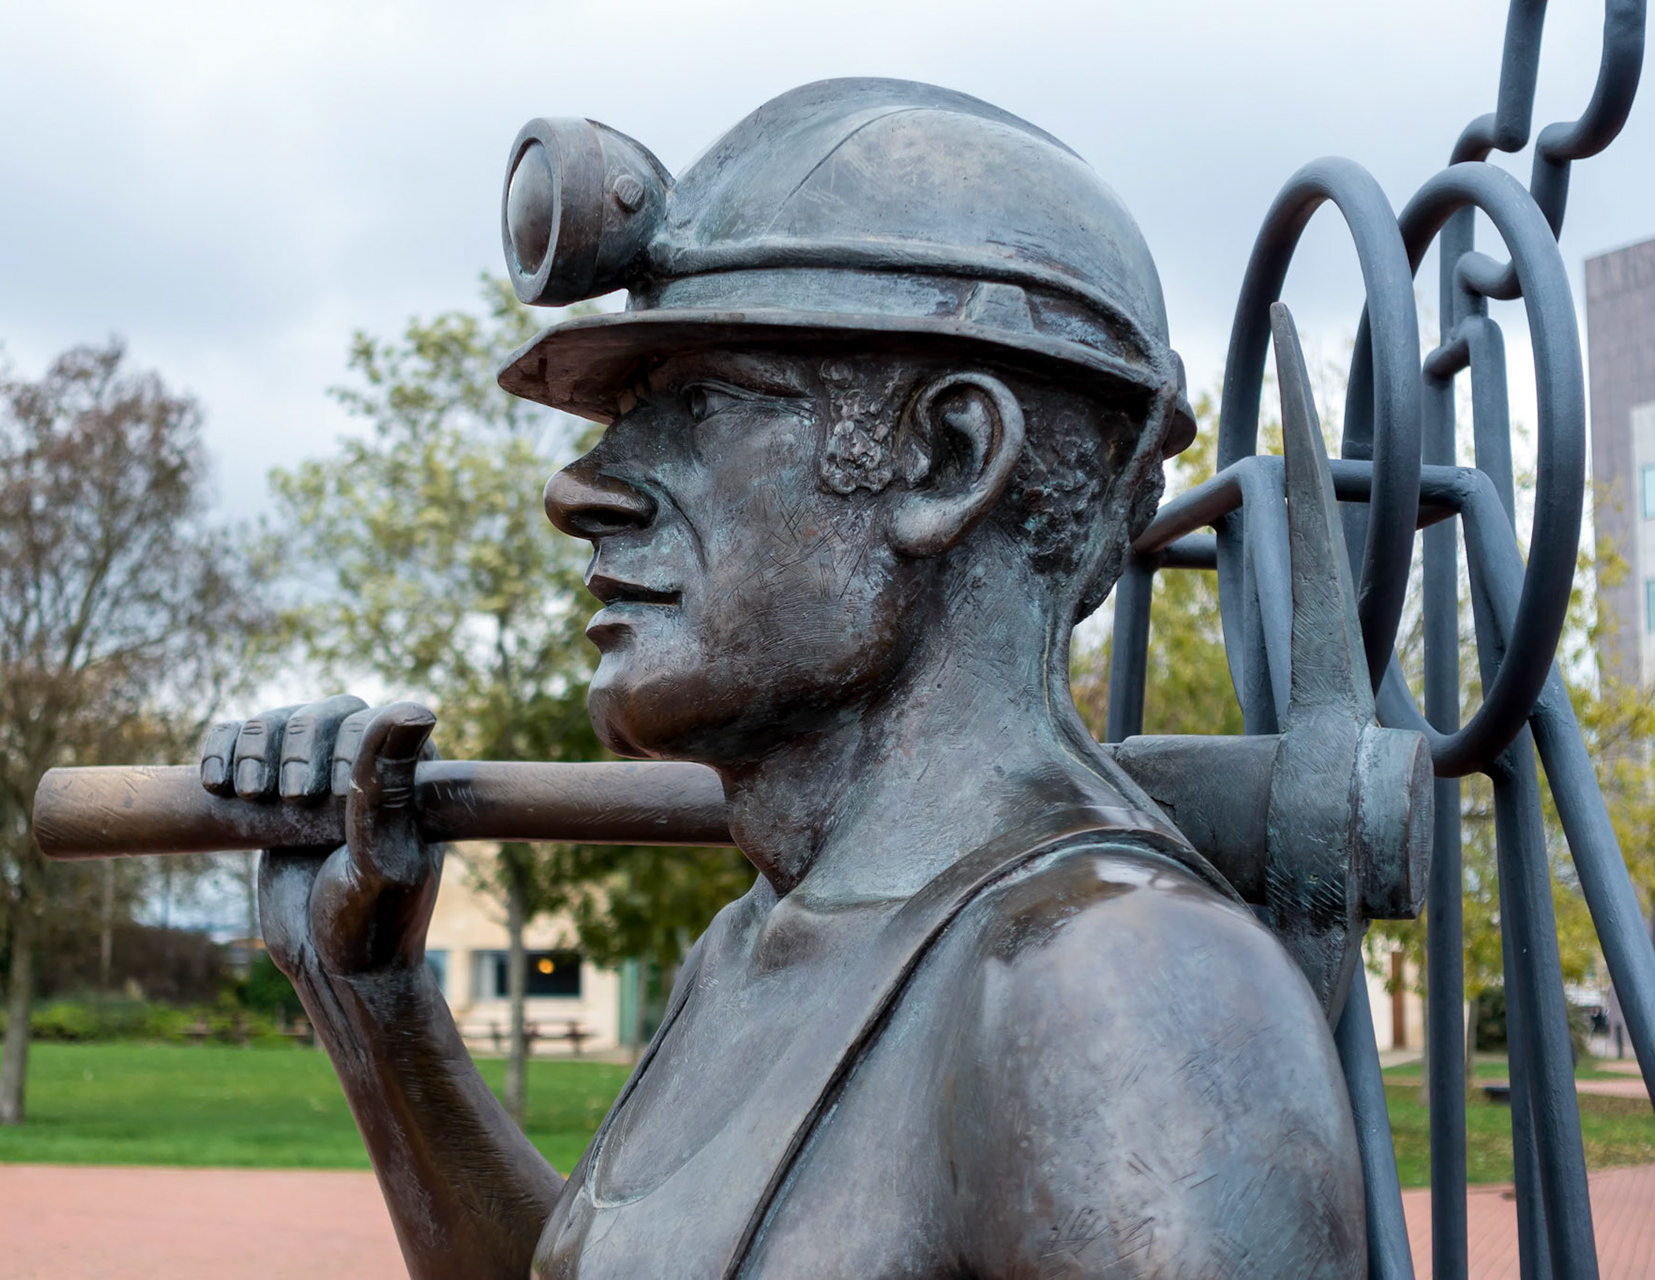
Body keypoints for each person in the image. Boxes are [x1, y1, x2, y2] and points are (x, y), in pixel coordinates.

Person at [200, 79, 1365, 1278]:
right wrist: (373, 1001)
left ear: (949, 457)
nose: (581, 489)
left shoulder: (1114, 989)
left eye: (701, 404)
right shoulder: (751, 949)